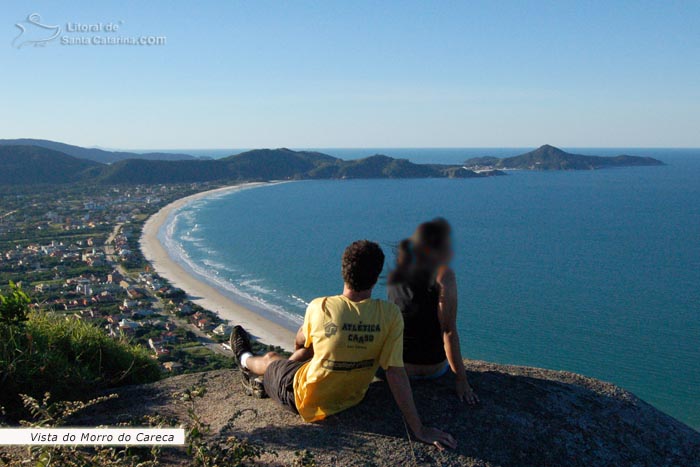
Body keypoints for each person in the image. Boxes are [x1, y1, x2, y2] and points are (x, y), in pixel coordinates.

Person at [231, 240, 456, 450]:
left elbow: (301, 340)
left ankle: (243, 357)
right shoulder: (390, 315)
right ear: (376, 277)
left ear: (343, 271)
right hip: (352, 398)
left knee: (271, 358)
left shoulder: (321, 307)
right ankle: (268, 374)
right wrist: (419, 429)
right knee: (295, 359)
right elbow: (396, 373)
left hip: (304, 398)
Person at [388, 219, 479, 405]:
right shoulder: (444, 275)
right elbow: (448, 330)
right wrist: (462, 380)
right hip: (434, 369)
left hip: (401, 370)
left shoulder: (394, 277)